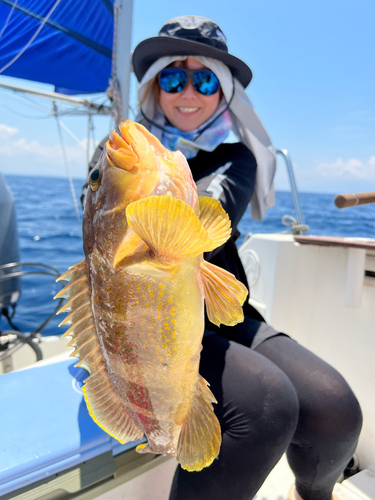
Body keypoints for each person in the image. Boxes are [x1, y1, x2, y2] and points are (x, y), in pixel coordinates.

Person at [83, 16, 362, 500]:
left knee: (336, 410)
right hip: (151, 320)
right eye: (172, 77)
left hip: (222, 309)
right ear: (154, 88)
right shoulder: (114, 157)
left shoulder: (236, 157)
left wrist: (158, 192)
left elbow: (210, 225)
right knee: (267, 405)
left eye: (203, 79)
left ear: (223, 89)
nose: (187, 91)